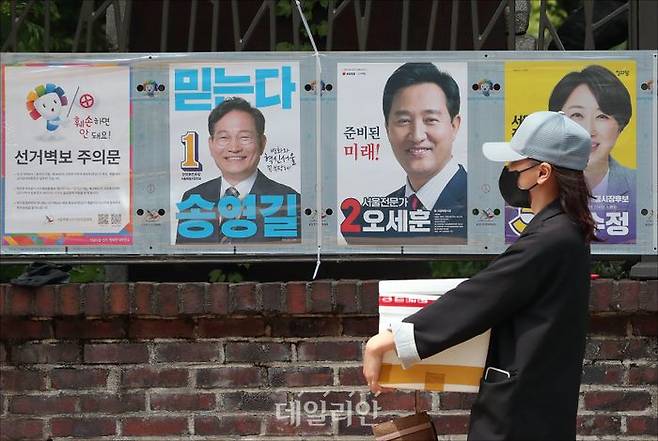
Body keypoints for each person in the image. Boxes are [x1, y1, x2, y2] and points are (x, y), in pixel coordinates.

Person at [363, 111, 596, 440]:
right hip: (538, 408)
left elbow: (484, 295)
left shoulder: (551, 238)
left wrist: (387, 341)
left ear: (542, 172)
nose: (510, 172)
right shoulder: (564, 229)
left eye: (516, 164)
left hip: (521, 417)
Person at [176, 97, 300, 244]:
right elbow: (183, 262)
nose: (234, 148)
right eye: (224, 137)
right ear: (211, 144)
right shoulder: (194, 198)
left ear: (262, 143)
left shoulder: (289, 201)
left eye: (244, 137)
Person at [383, 62, 467, 239]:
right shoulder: (377, 216)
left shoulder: (481, 205)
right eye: (404, 120)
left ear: (454, 126)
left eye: (430, 119)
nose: (417, 136)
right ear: (387, 128)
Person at [548, 64, 634, 197]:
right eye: (577, 115)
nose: (588, 131)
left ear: (620, 126)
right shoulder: (537, 182)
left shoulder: (641, 184)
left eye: (602, 116)